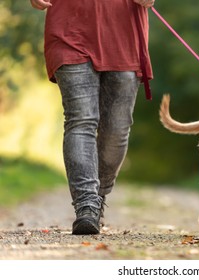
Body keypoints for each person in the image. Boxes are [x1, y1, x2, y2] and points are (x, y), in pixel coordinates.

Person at [30, 0, 155, 235]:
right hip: (69, 30)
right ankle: (86, 205)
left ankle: (98, 195)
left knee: (117, 128)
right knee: (80, 119)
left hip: (123, 36)